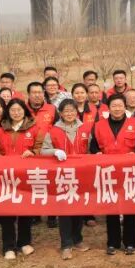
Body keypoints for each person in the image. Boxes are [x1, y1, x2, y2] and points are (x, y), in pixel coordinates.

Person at [87, 93, 135, 255]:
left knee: (130, 208)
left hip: (129, 171)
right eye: (114, 106)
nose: (117, 109)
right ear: (108, 108)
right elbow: (93, 146)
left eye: (120, 105)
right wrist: (96, 153)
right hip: (108, 172)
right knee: (111, 207)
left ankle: (130, 242)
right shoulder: (99, 125)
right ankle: (113, 242)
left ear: (125, 107)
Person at [42, 99, 93, 259]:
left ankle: (78, 239)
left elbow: (91, 149)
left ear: (76, 112)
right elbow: (43, 150)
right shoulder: (53, 131)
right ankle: (66, 244)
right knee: (64, 210)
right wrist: (54, 151)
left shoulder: (85, 128)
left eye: (72, 110)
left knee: (79, 208)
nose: (69, 113)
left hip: (82, 174)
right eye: (66, 111)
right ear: (61, 113)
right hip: (63, 176)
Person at [0, 99, 41, 259]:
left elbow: (39, 147)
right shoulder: (1, 130)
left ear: (24, 111)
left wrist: (33, 153)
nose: (16, 113)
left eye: (19, 110)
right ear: (8, 112)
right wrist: (0, 160)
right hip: (7, 177)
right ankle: (8, 246)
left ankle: (24, 242)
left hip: (26, 175)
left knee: (25, 210)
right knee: (7, 212)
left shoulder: (34, 129)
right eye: (13, 110)